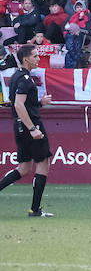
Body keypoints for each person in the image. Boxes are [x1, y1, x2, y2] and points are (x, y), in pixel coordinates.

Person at [0, 45, 55, 216]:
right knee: (43, 163)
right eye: (35, 56)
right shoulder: (24, 78)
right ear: (26, 59)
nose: (38, 59)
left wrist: (39, 103)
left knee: (24, 168)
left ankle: (35, 209)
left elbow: (19, 103)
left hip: (19, 126)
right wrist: (32, 128)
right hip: (30, 125)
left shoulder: (17, 76)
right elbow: (18, 104)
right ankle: (35, 209)